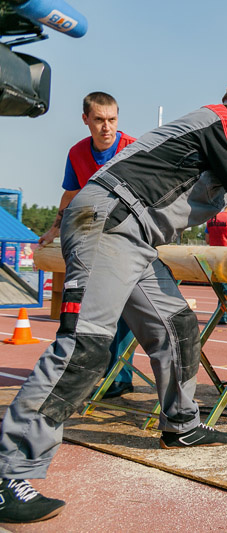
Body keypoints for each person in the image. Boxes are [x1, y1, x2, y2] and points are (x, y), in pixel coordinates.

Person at [0, 78, 227, 524]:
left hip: (131, 234)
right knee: (83, 349)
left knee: (178, 327)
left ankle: (181, 425)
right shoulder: (223, 123)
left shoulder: (212, 136)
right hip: (111, 225)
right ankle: (7, 470)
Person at [39, 91, 138, 399]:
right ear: (86, 120)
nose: (106, 127)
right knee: (95, 308)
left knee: (125, 311)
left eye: (112, 120)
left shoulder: (132, 149)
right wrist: (53, 231)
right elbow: (70, 196)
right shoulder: (77, 153)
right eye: (98, 120)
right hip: (95, 238)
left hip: (130, 237)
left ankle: (120, 376)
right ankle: (99, 371)